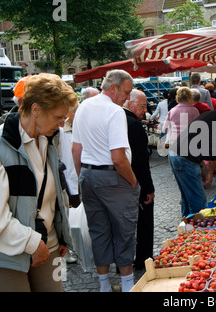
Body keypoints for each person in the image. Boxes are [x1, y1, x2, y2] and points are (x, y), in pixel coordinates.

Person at [0, 73, 77, 292]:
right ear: (36, 109)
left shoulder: (49, 140)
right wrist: (32, 243)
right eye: (58, 117)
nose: (62, 124)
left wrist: (62, 234)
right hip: (5, 255)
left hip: (50, 246)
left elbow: (55, 194)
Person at [72, 69, 139, 292]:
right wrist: (133, 181)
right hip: (113, 177)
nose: (128, 98)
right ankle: (128, 284)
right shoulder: (115, 111)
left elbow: (76, 149)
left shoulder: (83, 106)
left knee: (98, 230)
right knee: (124, 228)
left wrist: (83, 177)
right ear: (113, 88)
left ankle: (104, 285)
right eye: (126, 92)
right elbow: (118, 157)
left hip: (89, 175)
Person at [168, 107, 216, 217]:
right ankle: (197, 228)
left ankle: (186, 226)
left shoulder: (212, 114)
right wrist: (210, 174)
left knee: (187, 197)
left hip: (175, 153)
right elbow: (214, 152)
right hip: (185, 157)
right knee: (198, 200)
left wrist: (202, 169)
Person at [123, 90, 155, 270]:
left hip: (121, 181)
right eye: (142, 106)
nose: (145, 110)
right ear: (130, 102)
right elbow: (141, 161)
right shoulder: (134, 124)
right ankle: (144, 257)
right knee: (143, 221)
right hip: (136, 181)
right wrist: (148, 188)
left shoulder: (118, 118)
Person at [58, 99, 80, 264]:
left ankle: (77, 245)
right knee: (64, 215)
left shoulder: (76, 128)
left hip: (76, 179)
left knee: (75, 215)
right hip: (65, 180)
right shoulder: (60, 130)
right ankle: (67, 249)